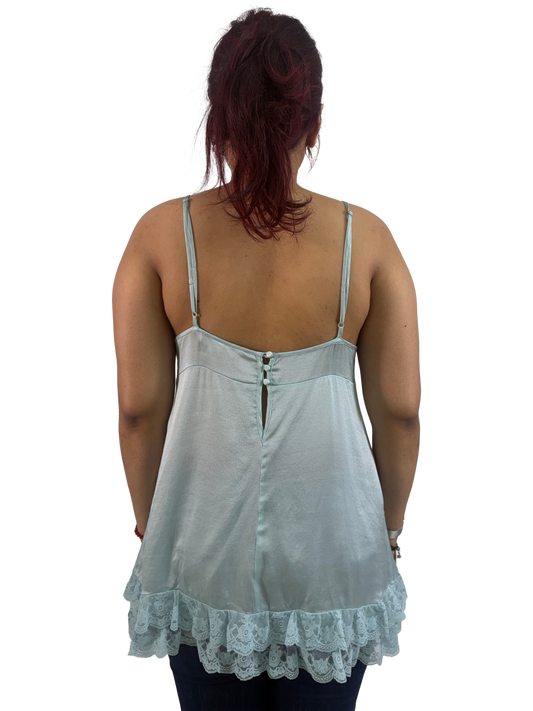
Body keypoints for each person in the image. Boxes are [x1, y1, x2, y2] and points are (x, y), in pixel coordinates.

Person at [117, 5, 421, 710]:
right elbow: (402, 411)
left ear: (219, 113)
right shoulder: (369, 239)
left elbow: (138, 409)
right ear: (312, 118)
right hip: (334, 548)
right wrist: (390, 531)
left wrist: (149, 524)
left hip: (201, 549)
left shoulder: (159, 233)